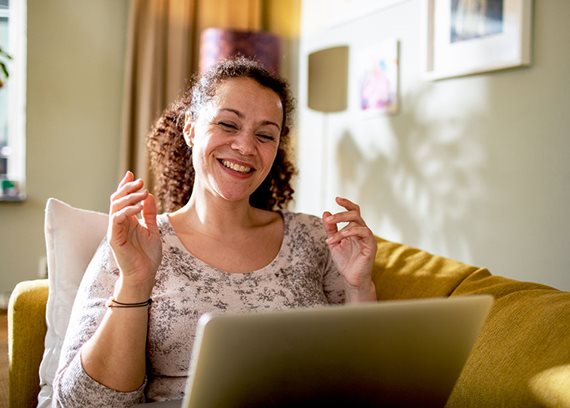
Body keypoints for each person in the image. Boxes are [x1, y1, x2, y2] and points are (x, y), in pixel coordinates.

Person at [52, 57, 377, 406]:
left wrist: (359, 286)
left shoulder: (315, 237)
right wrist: (135, 282)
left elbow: (367, 378)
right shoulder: (137, 240)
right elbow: (82, 402)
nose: (245, 147)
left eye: (265, 135)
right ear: (190, 128)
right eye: (228, 125)